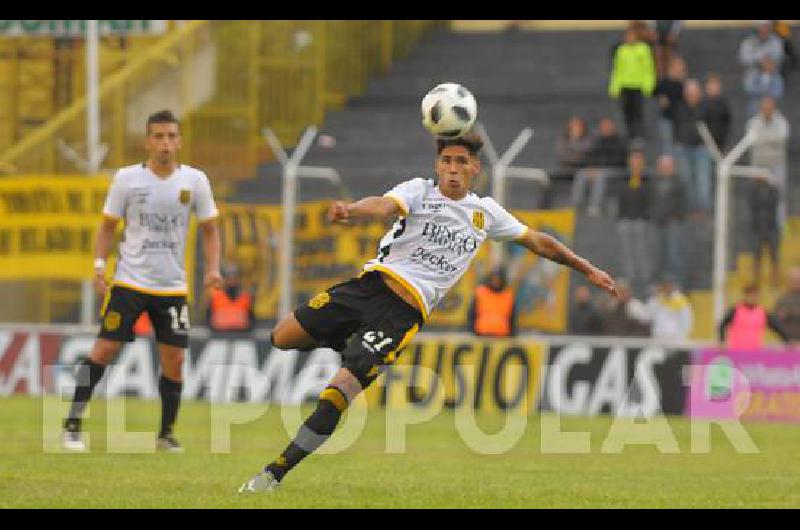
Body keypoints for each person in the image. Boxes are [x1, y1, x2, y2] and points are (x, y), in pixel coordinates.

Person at [238, 133, 618, 492]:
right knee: (282, 337)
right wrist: (351, 210)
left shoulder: (485, 213)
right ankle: (340, 340)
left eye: (461, 162)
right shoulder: (418, 190)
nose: (452, 168)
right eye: (446, 161)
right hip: (368, 287)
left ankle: (274, 473)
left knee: (340, 391)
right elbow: (384, 207)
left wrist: (587, 269)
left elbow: (539, 241)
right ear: (438, 165)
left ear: (475, 169)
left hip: (402, 314)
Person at [61, 110, 222, 452]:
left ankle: (166, 435)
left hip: (172, 287)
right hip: (129, 282)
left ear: (179, 141)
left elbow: (210, 230)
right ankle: (72, 425)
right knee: (103, 349)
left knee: (174, 360)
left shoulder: (194, 181)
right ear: (148, 141)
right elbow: (107, 227)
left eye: (171, 137)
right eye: (159, 137)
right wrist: (99, 265)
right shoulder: (127, 179)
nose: (165, 143)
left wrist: (212, 268)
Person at [570, 117, 629, 216]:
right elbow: (591, 156)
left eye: (607, 126)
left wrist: (599, 167)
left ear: (613, 127)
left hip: (616, 170)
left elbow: (619, 160)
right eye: (603, 126)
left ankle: (594, 206)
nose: (605, 128)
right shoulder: (597, 141)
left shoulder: (619, 142)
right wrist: (591, 167)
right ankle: (574, 205)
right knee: (582, 174)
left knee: (600, 176)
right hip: (598, 169)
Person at [608, 27, 656, 142]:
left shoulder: (643, 49)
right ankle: (629, 135)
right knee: (626, 112)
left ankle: (639, 135)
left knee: (638, 112)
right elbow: (617, 69)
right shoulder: (621, 50)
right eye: (628, 36)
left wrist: (648, 85)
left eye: (632, 36)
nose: (630, 38)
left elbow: (648, 68)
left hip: (638, 86)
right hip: (625, 86)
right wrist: (614, 87)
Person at [746, 97, 789, 222]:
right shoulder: (753, 122)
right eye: (765, 108)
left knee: (779, 196)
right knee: (756, 196)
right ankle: (756, 224)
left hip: (776, 165)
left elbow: (782, 137)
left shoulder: (781, 121)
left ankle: (779, 224)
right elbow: (751, 138)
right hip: (759, 165)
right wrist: (770, 138)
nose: (767, 110)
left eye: (769, 108)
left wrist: (763, 138)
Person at [673, 79, 713, 213]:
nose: (691, 95)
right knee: (686, 179)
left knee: (703, 180)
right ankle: (689, 209)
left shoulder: (706, 107)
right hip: (684, 148)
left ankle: (704, 210)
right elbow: (677, 126)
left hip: (701, 148)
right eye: (688, 92)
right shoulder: (680, 107)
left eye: (693, 92)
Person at [616, 150, 652, 294]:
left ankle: (644, 278)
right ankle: (629, 277)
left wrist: (645, 216)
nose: (635, 164)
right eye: (633, 161)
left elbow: (649, 199)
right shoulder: (625, 179)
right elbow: (620, 198)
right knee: (627, 250)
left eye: (638, 161)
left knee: (641, 249)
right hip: (625, 220)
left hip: (640, 220)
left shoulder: (647, 179)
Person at [649, 154, 687, 288]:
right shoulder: (653, 182)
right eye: (663, 166)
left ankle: (677, 285)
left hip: (672, 224)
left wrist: (677, 217)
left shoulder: (680, 183)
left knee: (673, 255)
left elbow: (684, 203)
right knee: (657, 255)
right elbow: (650, 202)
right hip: (657, 223)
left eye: (668, 166)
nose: (665, 169)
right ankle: (657, 285)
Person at [719, 284, 790, 349]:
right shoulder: (735, 310)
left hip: (755, 351)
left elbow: (777, 327)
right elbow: (722, 324)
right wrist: (722, 340)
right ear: (745, 295)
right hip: (736, 349)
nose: (753, 298)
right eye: (751, 295)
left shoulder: (763, 312)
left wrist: (788, 341)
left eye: (755, 295)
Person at [748, 173, 781, 288]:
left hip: (771, 226)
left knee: (774, 255)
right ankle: (756, 281)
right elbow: (753, 204)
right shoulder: (753, 191)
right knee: (757, 255)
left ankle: (775, 281)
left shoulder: (773, 190)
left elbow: (773, 203)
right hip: (757, 227)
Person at [652, 55, 687, 155]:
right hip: (667, 118)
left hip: (680, 120)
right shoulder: (664, 82)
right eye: (677, 66)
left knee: (679, 146)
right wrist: (661, 98)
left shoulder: (683, 84)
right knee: (667, 145)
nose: (679, 68)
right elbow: (655, 92)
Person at [468, 266, 516, 337]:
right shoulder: (480, 292)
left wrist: (512, 334)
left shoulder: (508, 295)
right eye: (494, 279)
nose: (496, 281)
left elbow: (512, 317)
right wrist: (472, 331)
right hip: (481, 333)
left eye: (498, 279)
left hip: (502, 335)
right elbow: (472, 314)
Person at [207, 263, 255, 333]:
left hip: (242, 336)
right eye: (229, 278)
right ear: (224, 280)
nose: (232, 281)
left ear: (239, 279)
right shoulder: (215, 297)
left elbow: (251, 320)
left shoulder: (246, 298)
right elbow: (208, 320)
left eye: (234, 278)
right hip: (218, 336)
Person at [647, 276, 693, 341]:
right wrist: (656, 297)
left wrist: (681, 338)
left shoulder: (681, 300)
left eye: (668, 285)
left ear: (673, 286)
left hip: (675, 338)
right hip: (658, 337)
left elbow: (687, 322)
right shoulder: (656, 299)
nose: (666, 288)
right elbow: (648, 315)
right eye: (663, 285)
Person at [702, 73, 732, 152]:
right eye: (711, 84)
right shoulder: (701, 103)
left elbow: (727, 122)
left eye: (716, 84)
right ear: (706, 86)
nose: (713, 87)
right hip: (703, 145)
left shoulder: (724, 104)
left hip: (720, 143)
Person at [774, 268, 800, 341]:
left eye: (798, 280)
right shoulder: (783, 299)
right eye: (794, 280)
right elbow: (775, 320)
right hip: (788, 340)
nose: (796, 283)